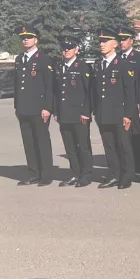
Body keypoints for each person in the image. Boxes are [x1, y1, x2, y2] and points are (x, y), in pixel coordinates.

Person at [93, 29, 135, 190]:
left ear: (115, 44)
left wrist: (128, 114)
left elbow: (130, 92)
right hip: (103, 114)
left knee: (123, 146)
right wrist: (96, 112)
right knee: (109, 146)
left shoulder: (123, 65)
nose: (102, 44)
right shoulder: (99, 65)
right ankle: (114, 174)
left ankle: (126, 176)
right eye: (100, 41)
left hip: (119, 114)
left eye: (105, 41)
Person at [13, 27, 54, 186]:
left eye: (29, 37)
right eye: (23, 38)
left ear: (36, 40)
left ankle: (46, 175)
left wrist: (47, 107)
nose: (25, 40)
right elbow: (17, 85)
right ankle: (33, 173)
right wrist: (17, 107)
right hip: (24, 109)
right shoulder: (19, 59)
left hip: (39, 109)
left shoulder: (43, 59)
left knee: (42, 142)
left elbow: (49, 85)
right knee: (29, 143)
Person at [54, 39, 94, 188]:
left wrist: (86, 112)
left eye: (70, 47)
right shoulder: (59, 67)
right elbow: (56, 92)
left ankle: (86, 175)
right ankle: (75, 173)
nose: (67, 50)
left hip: (79, 114)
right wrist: (56, 111)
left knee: (83, 146)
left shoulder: (82, 66)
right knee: (69, 146)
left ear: (76, 50)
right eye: (64, 48)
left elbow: (89, 91)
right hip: (64, 114)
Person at [118, 28, 140, 181]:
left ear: (131, 41)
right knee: (124, 136)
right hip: (121, 104)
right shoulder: (117, 58)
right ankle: (127, 164)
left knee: (137, 135)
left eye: (125, 39)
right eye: (120, 40)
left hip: (136, 102)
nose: (122, 42)